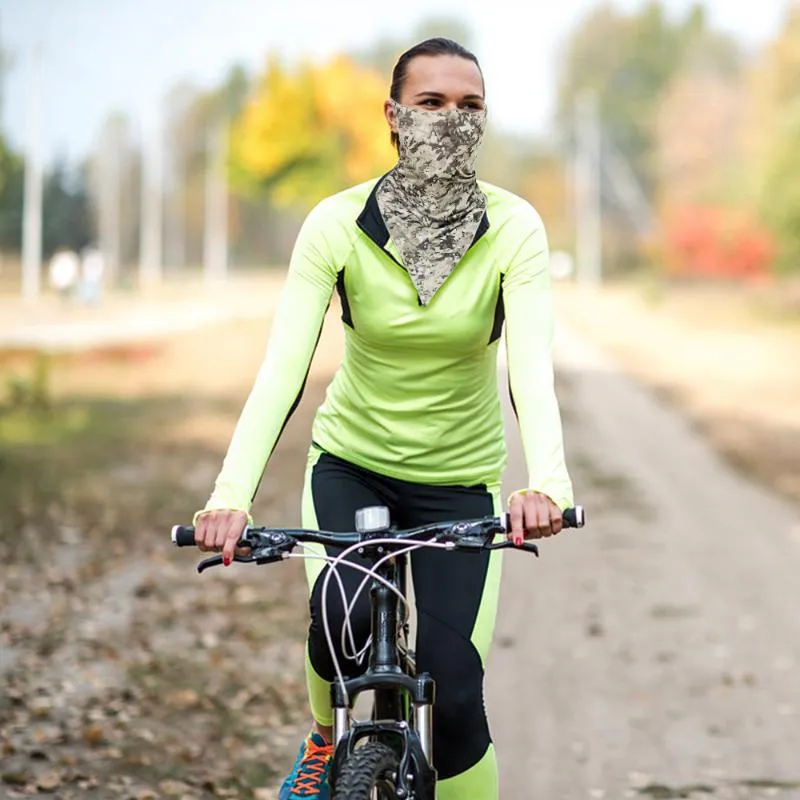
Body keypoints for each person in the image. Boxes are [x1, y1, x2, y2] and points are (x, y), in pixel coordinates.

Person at [193, 37, 574, 800]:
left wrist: (548, 483)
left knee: (456, 694)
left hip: (458, 481)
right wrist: (229, 496)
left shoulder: (514, 228)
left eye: (469, 107)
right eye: (430, 103)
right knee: (336, 630)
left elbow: (531, 372)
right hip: (353, 464)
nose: (449, 120)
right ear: (394, 117)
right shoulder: (336, 226)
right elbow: (283, 374)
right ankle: (325, 738)